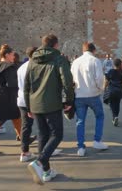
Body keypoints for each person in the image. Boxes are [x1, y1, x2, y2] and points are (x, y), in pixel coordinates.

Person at [25, 34, 74, 185]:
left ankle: (46, 172)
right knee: (57, 134)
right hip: (52, 102)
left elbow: (27, 84)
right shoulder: (59, 58)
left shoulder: (32, 59)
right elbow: (67, 81)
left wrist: (28, 106)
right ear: (56, 45)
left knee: (43, 135)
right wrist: (69, 100)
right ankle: (40, 162)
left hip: (35, 103)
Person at [71, 42, 108, 157]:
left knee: (80, 121)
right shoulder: (95, 61)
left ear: (83, 50)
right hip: (92, 94)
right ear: (94, 50)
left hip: (79, 94)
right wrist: (100, 88)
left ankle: (81, 147)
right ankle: (97, 140)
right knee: (100, 116)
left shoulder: (75, 62)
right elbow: (99, 78)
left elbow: (71, 78)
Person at [17, 47, 38, 162]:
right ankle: (46, 148)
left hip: (22, 100)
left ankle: (24, 152)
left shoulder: (21, 68)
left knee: (25, 126)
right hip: (34, 99)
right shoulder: (35, 67)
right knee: (43, 124)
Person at [105, 58, 122, 127]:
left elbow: (106, 81)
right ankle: (116, 116)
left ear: (113, 64)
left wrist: (104, 87)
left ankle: (114, 117)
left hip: (111, 90)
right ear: (120, 64)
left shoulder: (111, 71)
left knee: (112, 104)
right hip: (119, 90)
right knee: (117, 103)